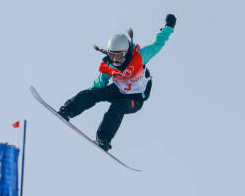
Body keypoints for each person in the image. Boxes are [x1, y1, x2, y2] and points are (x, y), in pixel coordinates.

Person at [57, 14, 177, 151]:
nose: (115, 59)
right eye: (112, 55)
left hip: (135, 98)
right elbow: (99, 84)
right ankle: (68, 110)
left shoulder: (140, 57)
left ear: (125, 52)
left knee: (118, 107)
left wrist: (169, 27)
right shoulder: (109, 65)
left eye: (118, 55)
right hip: (118, 90)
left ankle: (103, 139)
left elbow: (158, 44)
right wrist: (90, 94)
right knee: (94, 94)